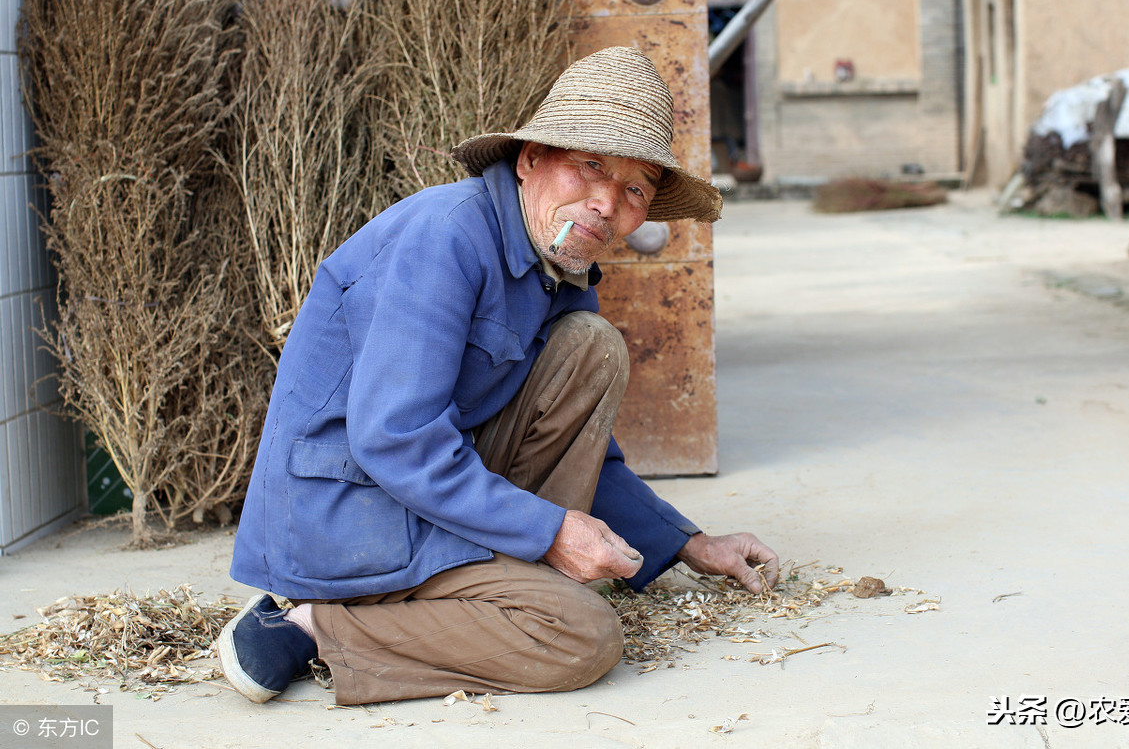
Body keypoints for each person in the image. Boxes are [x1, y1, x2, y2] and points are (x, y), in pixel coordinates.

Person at [218, 46, 780, 707]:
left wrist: (691, 543)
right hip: (350, 513)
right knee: (580, 635)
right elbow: (396, 437)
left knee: (592, 346)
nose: (605, 202)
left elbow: (589, 450)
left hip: (418, 496)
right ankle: (314, 623)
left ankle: (490, 579)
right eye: (591, 165)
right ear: (530, 158)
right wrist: (549, 531)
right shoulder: (446, 237)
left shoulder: (558, 273)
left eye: (635, 190)